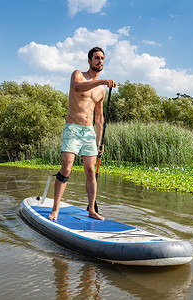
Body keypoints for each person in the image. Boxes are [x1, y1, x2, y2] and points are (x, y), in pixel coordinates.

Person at [48, 46, 116, 221]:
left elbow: (99, 118)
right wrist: (102, 81)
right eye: (96, 58)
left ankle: (92, 209)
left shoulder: (101, 91)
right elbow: (77, 88)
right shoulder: (78, 74)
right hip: (73, 128)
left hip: (88, 132)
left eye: (102, 58)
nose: (99, 61)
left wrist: (100, 142)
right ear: (89, 61)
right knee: (66, 168)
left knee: (91, 171)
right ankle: (55, 210)